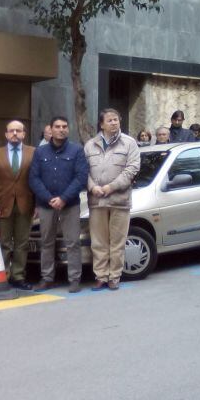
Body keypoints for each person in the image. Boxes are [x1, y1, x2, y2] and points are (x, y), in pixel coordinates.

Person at [28, 117, 88, 294]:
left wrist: (63, 198)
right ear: (50, 130)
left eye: (64, 127)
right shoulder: (40, 152)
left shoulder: (77, 150)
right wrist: (48, 198)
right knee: (46, 242)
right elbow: (34, 178)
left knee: (73, 242)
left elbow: (81, 177)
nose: (61, 129)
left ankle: (74, 279)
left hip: (69, 204)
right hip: (46, 205)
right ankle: (47, 278)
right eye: (57, 127)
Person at [85, 109, 140, 291]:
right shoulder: (90, 145)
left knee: (117, 242)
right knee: (98, 242)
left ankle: (114, 277)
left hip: (119, 200)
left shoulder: (129, 143)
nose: (114, 123)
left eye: (116, 119)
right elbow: (83, 171)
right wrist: (93, 187)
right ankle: (101, 276)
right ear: (101, 124)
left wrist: (111, 187)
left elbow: (132, 169)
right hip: (96, 201)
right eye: (110, 120)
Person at [0, 120, 35, 290]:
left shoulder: (33, 153)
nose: (15, 133)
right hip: (2, 204)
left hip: (25, 204)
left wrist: (35, 205)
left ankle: (18, 276)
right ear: (6, 134)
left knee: (22, 243)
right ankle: (2, 275)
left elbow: (35, 180)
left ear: (24, 134)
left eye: (18, 131)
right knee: (4, 243)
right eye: (11, 131)